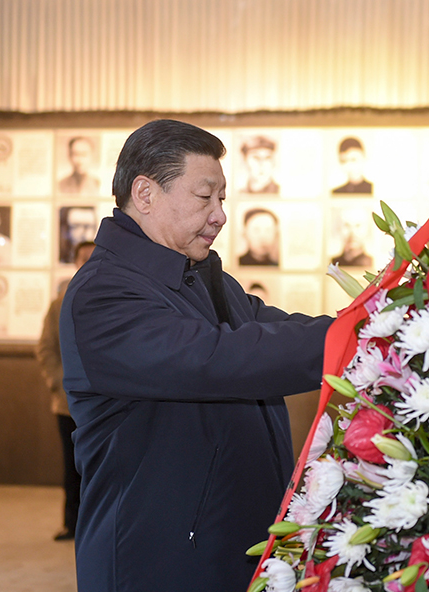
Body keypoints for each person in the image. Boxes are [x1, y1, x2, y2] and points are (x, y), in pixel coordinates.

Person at [59, 119, 332, 592]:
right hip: (161, 562)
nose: (220, 215)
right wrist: (351, 340)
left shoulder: (205, 278)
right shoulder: (104, 293)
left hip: (228, 550)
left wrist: (371, 324)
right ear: (145, 194)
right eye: (205, 197)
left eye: (222, 199)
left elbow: (277, 328)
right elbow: (217, 359)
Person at [35, 240, 95, 542]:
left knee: (97, 468)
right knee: (71, 466)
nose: (88, 263)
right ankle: (71, 523)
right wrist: (60, 382)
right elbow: (45, 348)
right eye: (82, 258)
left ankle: (94, 525)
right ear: (74, 263)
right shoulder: (59, 304)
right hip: (66, 403)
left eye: (92, 258)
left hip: (101, 402)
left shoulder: (108, 298)